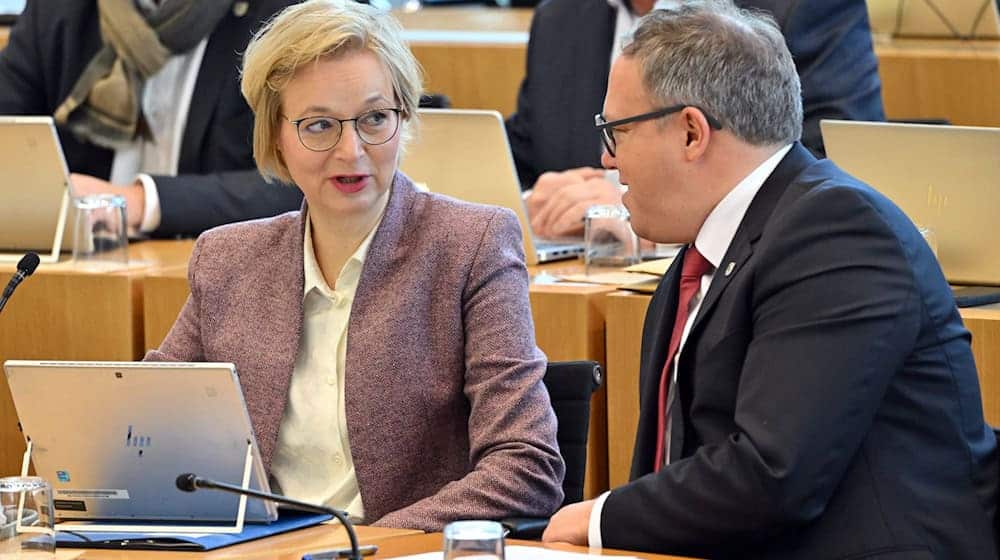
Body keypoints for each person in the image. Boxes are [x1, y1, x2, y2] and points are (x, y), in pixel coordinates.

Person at [541, 2, 998, 557]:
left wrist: (598, 520)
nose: (606, 161)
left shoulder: (836, 232)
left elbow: (773, 476)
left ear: (691, 133)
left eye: (615, 132)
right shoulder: (698, 260)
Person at [145, 0, 564, 531]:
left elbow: (526, 467)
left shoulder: (470, 245)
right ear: (275, 135)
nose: (352, 151)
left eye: (373, 119)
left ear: (403, 117)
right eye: (319, 125)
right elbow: (148, 425)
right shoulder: (227, 259)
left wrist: (367, 545)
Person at [509, 0, 886, 240]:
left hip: (743, 277)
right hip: (576, 278)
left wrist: (631, 206)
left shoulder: (802, 6)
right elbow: (527, 153)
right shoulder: (559, 16)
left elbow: (840, 166)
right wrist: (534, 199)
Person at [0, 0, 303, 238]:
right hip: (83, 273)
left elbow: (303, 183)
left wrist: (141, 202)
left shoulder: (291, 14)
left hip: (223, 274)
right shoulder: (57, 9)